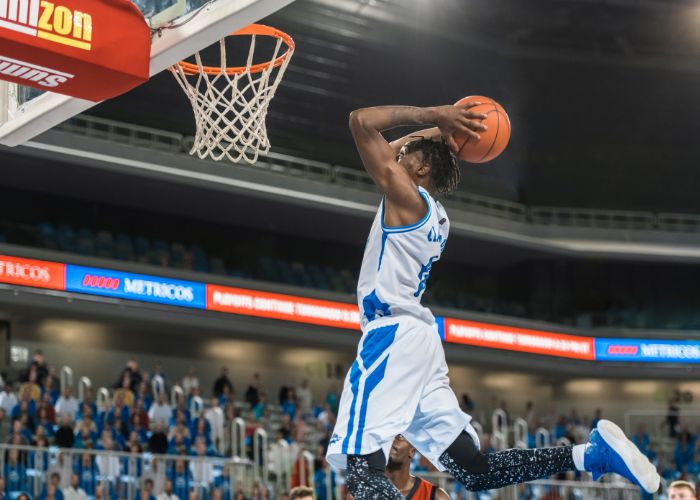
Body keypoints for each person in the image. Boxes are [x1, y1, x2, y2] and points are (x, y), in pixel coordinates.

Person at [324, 103, 661, 498]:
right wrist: (444, 130)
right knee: (474, 468)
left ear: (420, 170)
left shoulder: (408, 199)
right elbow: (392, 144)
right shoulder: (434, 215)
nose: (396, 156)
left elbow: (360, 122)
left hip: (391, 334)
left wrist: (435, 114)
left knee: (361, 468)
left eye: (404, 157)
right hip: (419, 342)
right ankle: (591, 456)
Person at [386, 435, 449, 499]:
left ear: (412, 452)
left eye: (400, 436)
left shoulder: (435, 496)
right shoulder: (375, 488)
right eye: (389, 436)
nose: (392, 440)